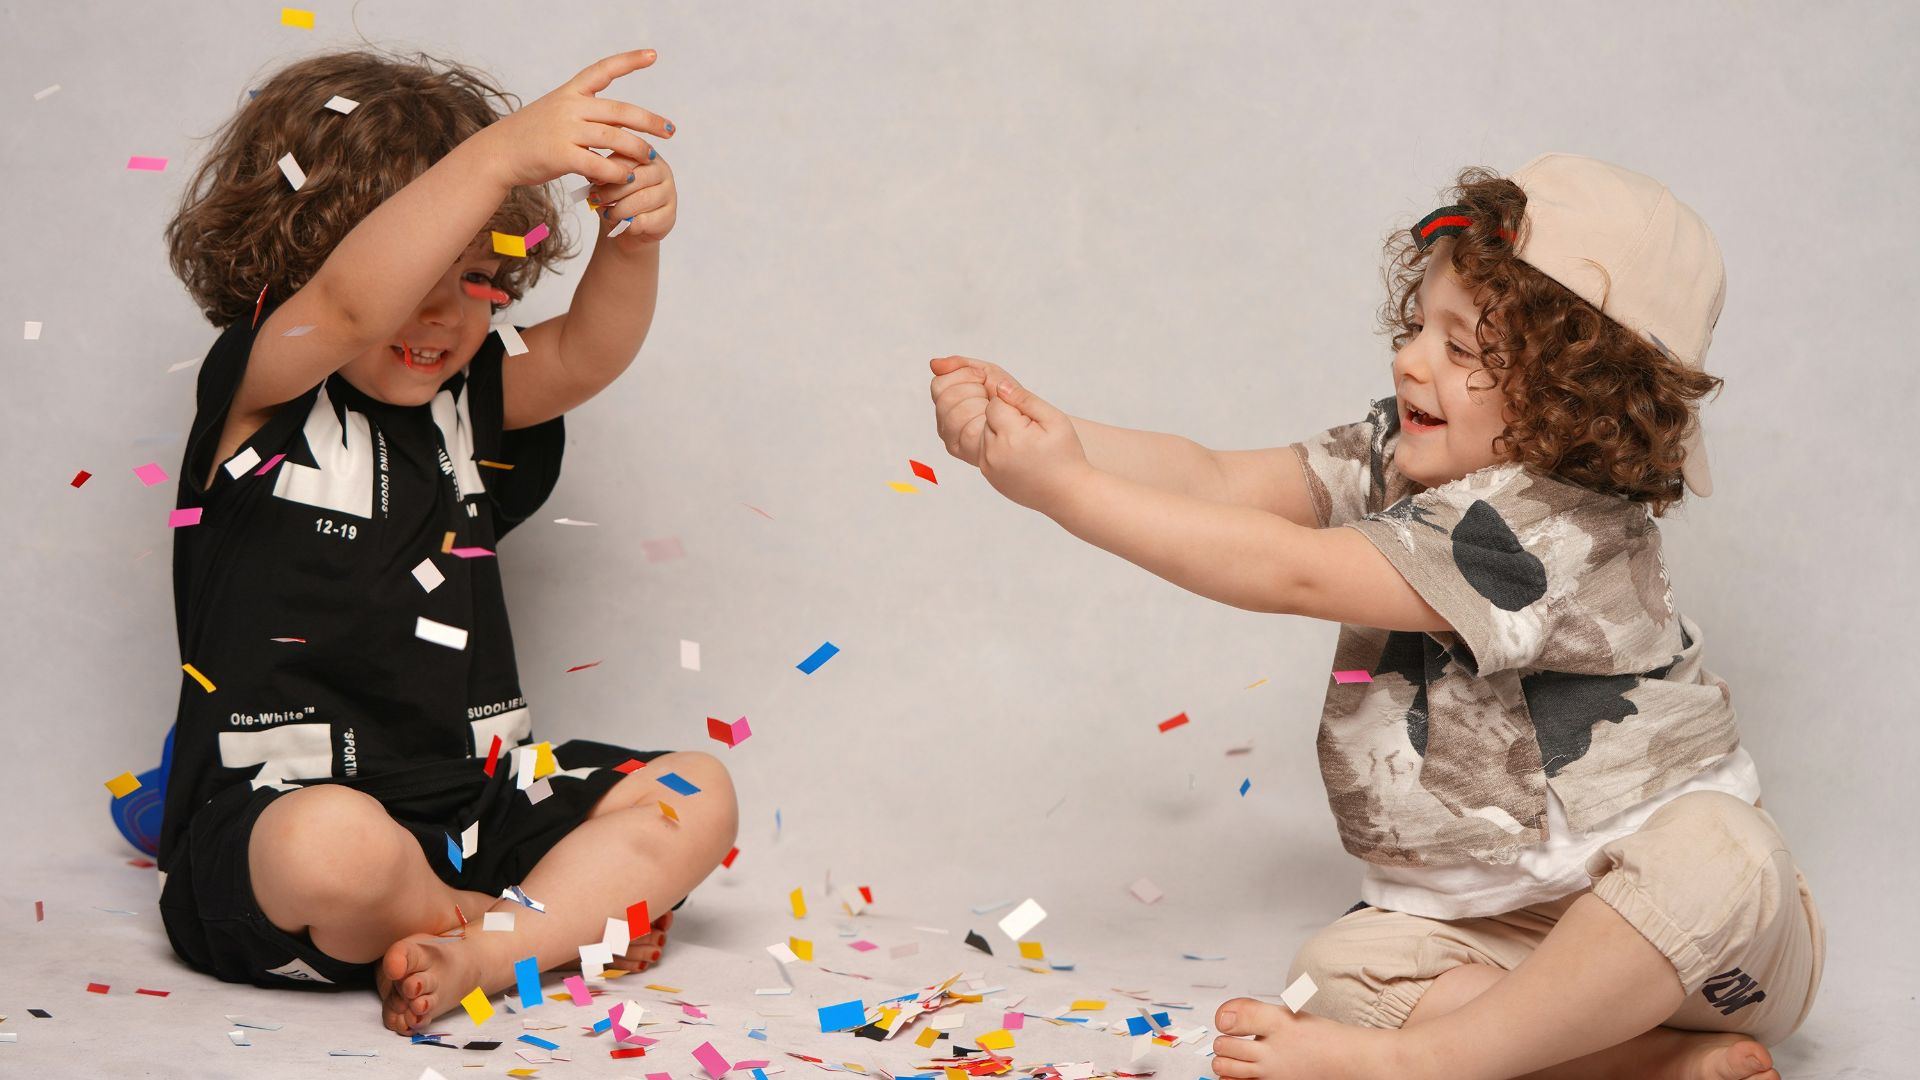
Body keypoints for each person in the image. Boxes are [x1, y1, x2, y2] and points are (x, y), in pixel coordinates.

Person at [927, 153, 1821, 1080]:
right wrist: (1050, 437)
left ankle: (1424, 1064)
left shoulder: (1558, 529)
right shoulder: (1405, 454)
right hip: (1502, 932)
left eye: (1461, 348)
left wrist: (1066, 493)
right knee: (1335, 976)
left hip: (1710, 945)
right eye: (1418, 325)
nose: (1410, 357)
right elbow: (1224, 480)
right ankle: (1648, 1065)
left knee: (1724, 851)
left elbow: (1298, 573)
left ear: (1577, 402)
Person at [158, 46, 737, 1035]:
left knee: (698, 790)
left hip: (479, 800)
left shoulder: (467, 398)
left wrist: (631, 241)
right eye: (421, 271)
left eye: (477, 277)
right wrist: (501, 158)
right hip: (287, 808)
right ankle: (535, 926)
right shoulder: (261, 390)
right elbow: (351, 305)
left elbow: (588, 353)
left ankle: (487, 948)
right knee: (329, 851)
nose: (440, 313)